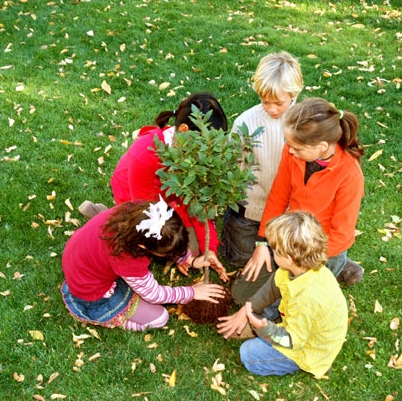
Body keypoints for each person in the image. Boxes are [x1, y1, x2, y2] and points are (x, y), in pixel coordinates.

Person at [222, 97, 364, 332]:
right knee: (241, 293)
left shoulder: (350, 175)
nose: (290, 151)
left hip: (321, 249)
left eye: (297, 147)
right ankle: (340, 270)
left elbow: (341, 235)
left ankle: (335, 267)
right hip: (291, 239)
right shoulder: (292, 153)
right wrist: (261, 243)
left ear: (320, 147)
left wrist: (299, 263)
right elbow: (278, 196)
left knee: (287, 298)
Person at [79, 92, 229, 281]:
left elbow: (198, 204)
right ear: (183, 130)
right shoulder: (144, 155)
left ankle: (108, 218)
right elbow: (147, 214)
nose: (209, 149)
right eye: (205, 142)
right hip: (135, 198)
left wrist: (210, 249)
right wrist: (179, 256)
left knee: (194, 248)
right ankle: (105, 219)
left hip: (171, 200)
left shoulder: (198, 157)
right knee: (154, 241)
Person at [61, 197, 227, 331]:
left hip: (81, 255)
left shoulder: (142, 214)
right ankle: (108, 319)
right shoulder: (127, 259)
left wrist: (189, 260)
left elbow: (170, 238)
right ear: (142, 246)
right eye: (166, 255)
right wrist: (191, 293)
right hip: (89, 291)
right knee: (160, 319)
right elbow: (154, 295)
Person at [232, 212, 348, 377]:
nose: (272, 252)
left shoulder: (307, 298)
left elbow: (291, 341)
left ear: (287, 258)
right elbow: (273, 286)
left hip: (306, 348)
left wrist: (264, 330)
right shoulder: (297, 269)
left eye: (274, 250)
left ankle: (310, 364)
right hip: (301, 330)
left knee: (248, 354)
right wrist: (250, 307)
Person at [220, 51, 304, 276]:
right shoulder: (246, 122)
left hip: (288, 209)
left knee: (290, 257)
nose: (272, 109)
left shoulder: (304, 122)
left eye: (279, 103)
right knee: (239, 258)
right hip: (250, 208)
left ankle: (337, 262)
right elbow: (231, 165)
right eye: (266, 102)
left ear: (294, 94)